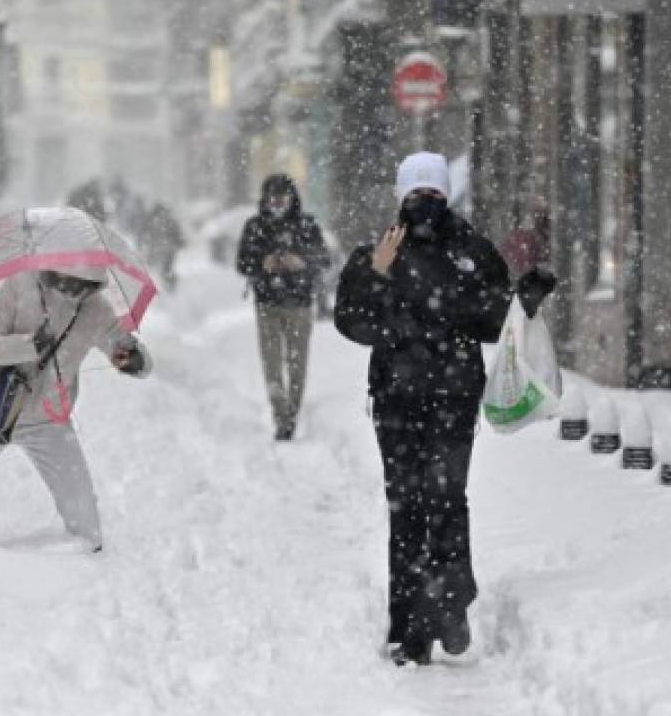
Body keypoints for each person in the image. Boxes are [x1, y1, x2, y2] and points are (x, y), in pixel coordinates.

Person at [334, 152, 556, 666]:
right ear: (400, 198)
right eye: (414, 196)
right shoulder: (379, 252)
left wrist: (525, 298)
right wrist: (376, 273)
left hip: (453, 399)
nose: (423, 205)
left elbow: (495, 321)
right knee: (406, 510)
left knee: (447, 500)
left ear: (445, 196)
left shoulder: (473, 252)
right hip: (395, 401)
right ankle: (408, 629)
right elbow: (355, 323)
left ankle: (452, 603)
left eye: (432, 195)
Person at [0, 265, 152, 552]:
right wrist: (30, 345)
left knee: (88, 534)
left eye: (86, 280)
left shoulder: (95, 308)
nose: (75, 286)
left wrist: (134, 360)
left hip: (49, 423)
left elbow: (130, 351)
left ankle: (80, 571)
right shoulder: (20, 285)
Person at [236, 174, 331, 440]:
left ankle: (293, 412)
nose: (277, 204)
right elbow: (242, 262)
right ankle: (281, 416)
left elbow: (324, 258)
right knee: (272, 363)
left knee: (297, 362)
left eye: (282, 198)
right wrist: (261, 263)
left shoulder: (307, 225)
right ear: (265, 200)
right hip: (267, 304)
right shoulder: (255, 226)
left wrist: (300, 262)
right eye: (272, 199)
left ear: (292, 199)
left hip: (300, 304)